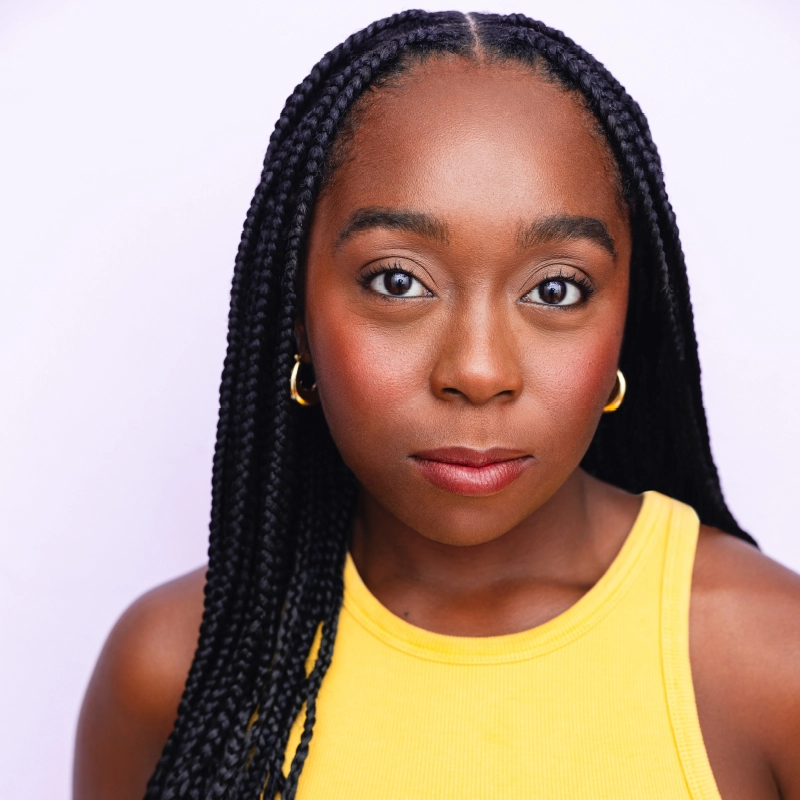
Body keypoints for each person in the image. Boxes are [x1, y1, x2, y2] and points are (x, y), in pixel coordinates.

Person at [73, 11, 800, 800]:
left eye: (556, 290)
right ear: (298, 314)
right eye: (398, 282)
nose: (478, 372)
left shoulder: (770, 660)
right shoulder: (174, 671)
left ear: (628, 319)